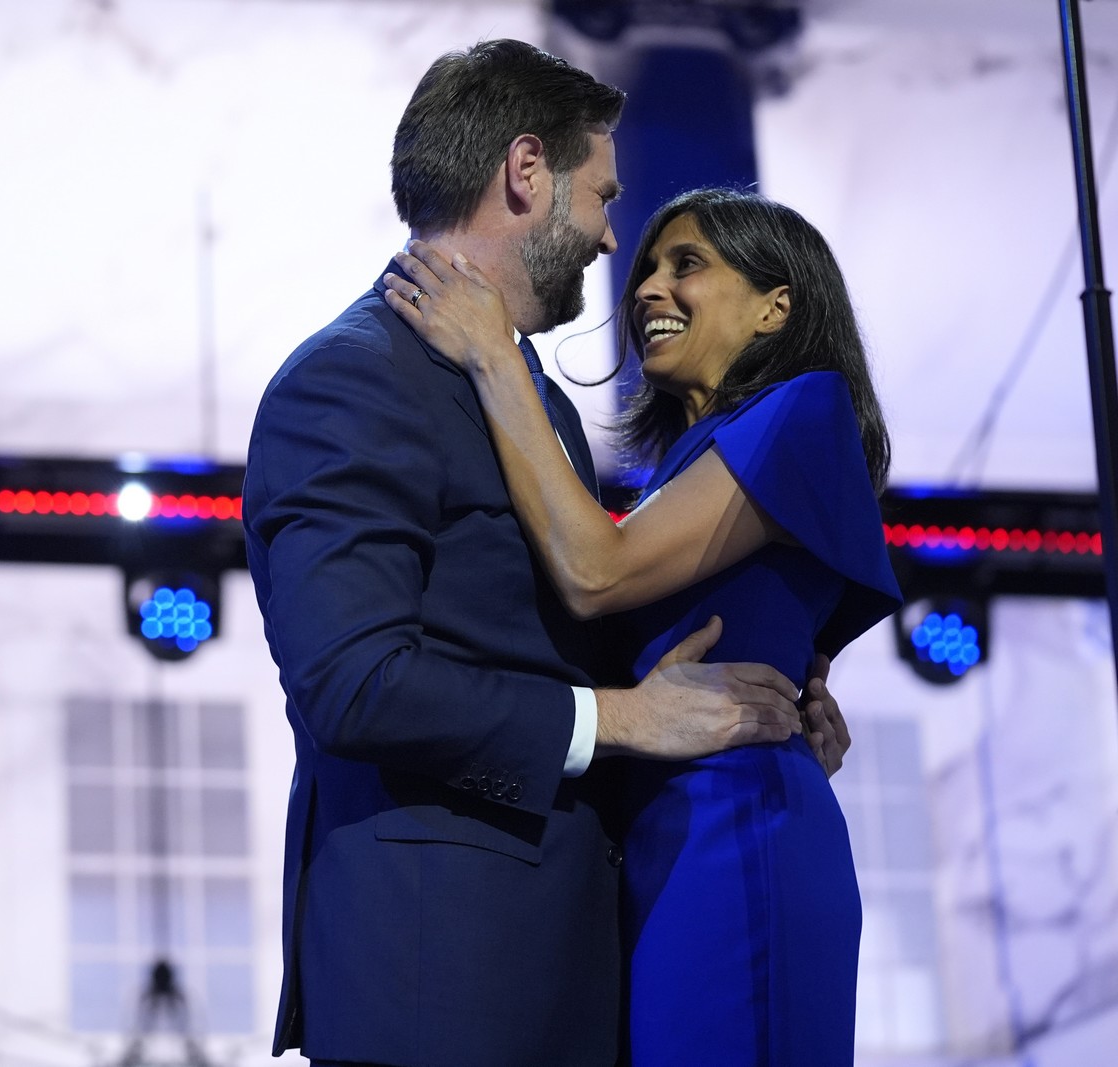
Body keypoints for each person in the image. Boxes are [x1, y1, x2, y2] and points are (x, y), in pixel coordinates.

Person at [242, 41, 851, 1067]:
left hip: (563, 974)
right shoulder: (350, 380)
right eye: (603, 197)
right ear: (526, 172)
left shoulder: (539, 405)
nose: (613, 239)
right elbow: (355, 682)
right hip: (440, 991)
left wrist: (747, 722)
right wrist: (623, 717)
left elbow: (558, 648)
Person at [382, 186, 901, 1065]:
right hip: (661, 839)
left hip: (737, 835)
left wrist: (493, 356)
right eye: (650, 268)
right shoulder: (682, 468)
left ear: (776, 305)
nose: (649, 287)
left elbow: (596, 571)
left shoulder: (805, 410)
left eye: (687, 265)